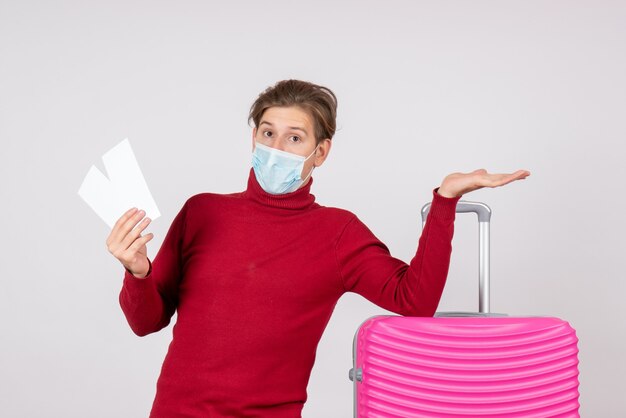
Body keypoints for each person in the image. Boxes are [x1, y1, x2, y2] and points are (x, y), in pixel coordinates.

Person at [106, 79, 530, 417]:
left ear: (320, 152)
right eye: (268, 133)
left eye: (294, 139)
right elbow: (147, 322)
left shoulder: (337, 232)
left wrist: (445, 201)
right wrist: (138, 272)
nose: (276, 148)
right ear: (253, 137)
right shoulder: (203, 212)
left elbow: (414, 301)